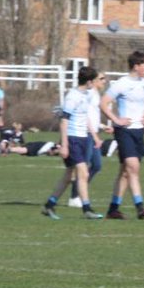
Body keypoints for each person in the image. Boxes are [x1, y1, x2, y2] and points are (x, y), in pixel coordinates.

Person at [100, 51, 144, 220]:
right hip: (124, 131)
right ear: (136, 66)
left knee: (126, 172)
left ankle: (113, 209)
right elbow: (103, 103)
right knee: (133, 167)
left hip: (139, 131)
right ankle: (140, 207)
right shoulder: (121, 84)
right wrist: (116, 120)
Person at [42, 66, 104, 220]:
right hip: (72, 138)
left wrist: (95, 136)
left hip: (83, 138)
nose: (96, 83)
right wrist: (64, 145)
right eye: (95, 80)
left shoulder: (87, 94)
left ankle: (49, 205)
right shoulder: (73, 97)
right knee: (83, 172)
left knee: (69, 176)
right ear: (89, 82)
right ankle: (87, 209)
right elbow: (64, 121)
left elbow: (85, 117)